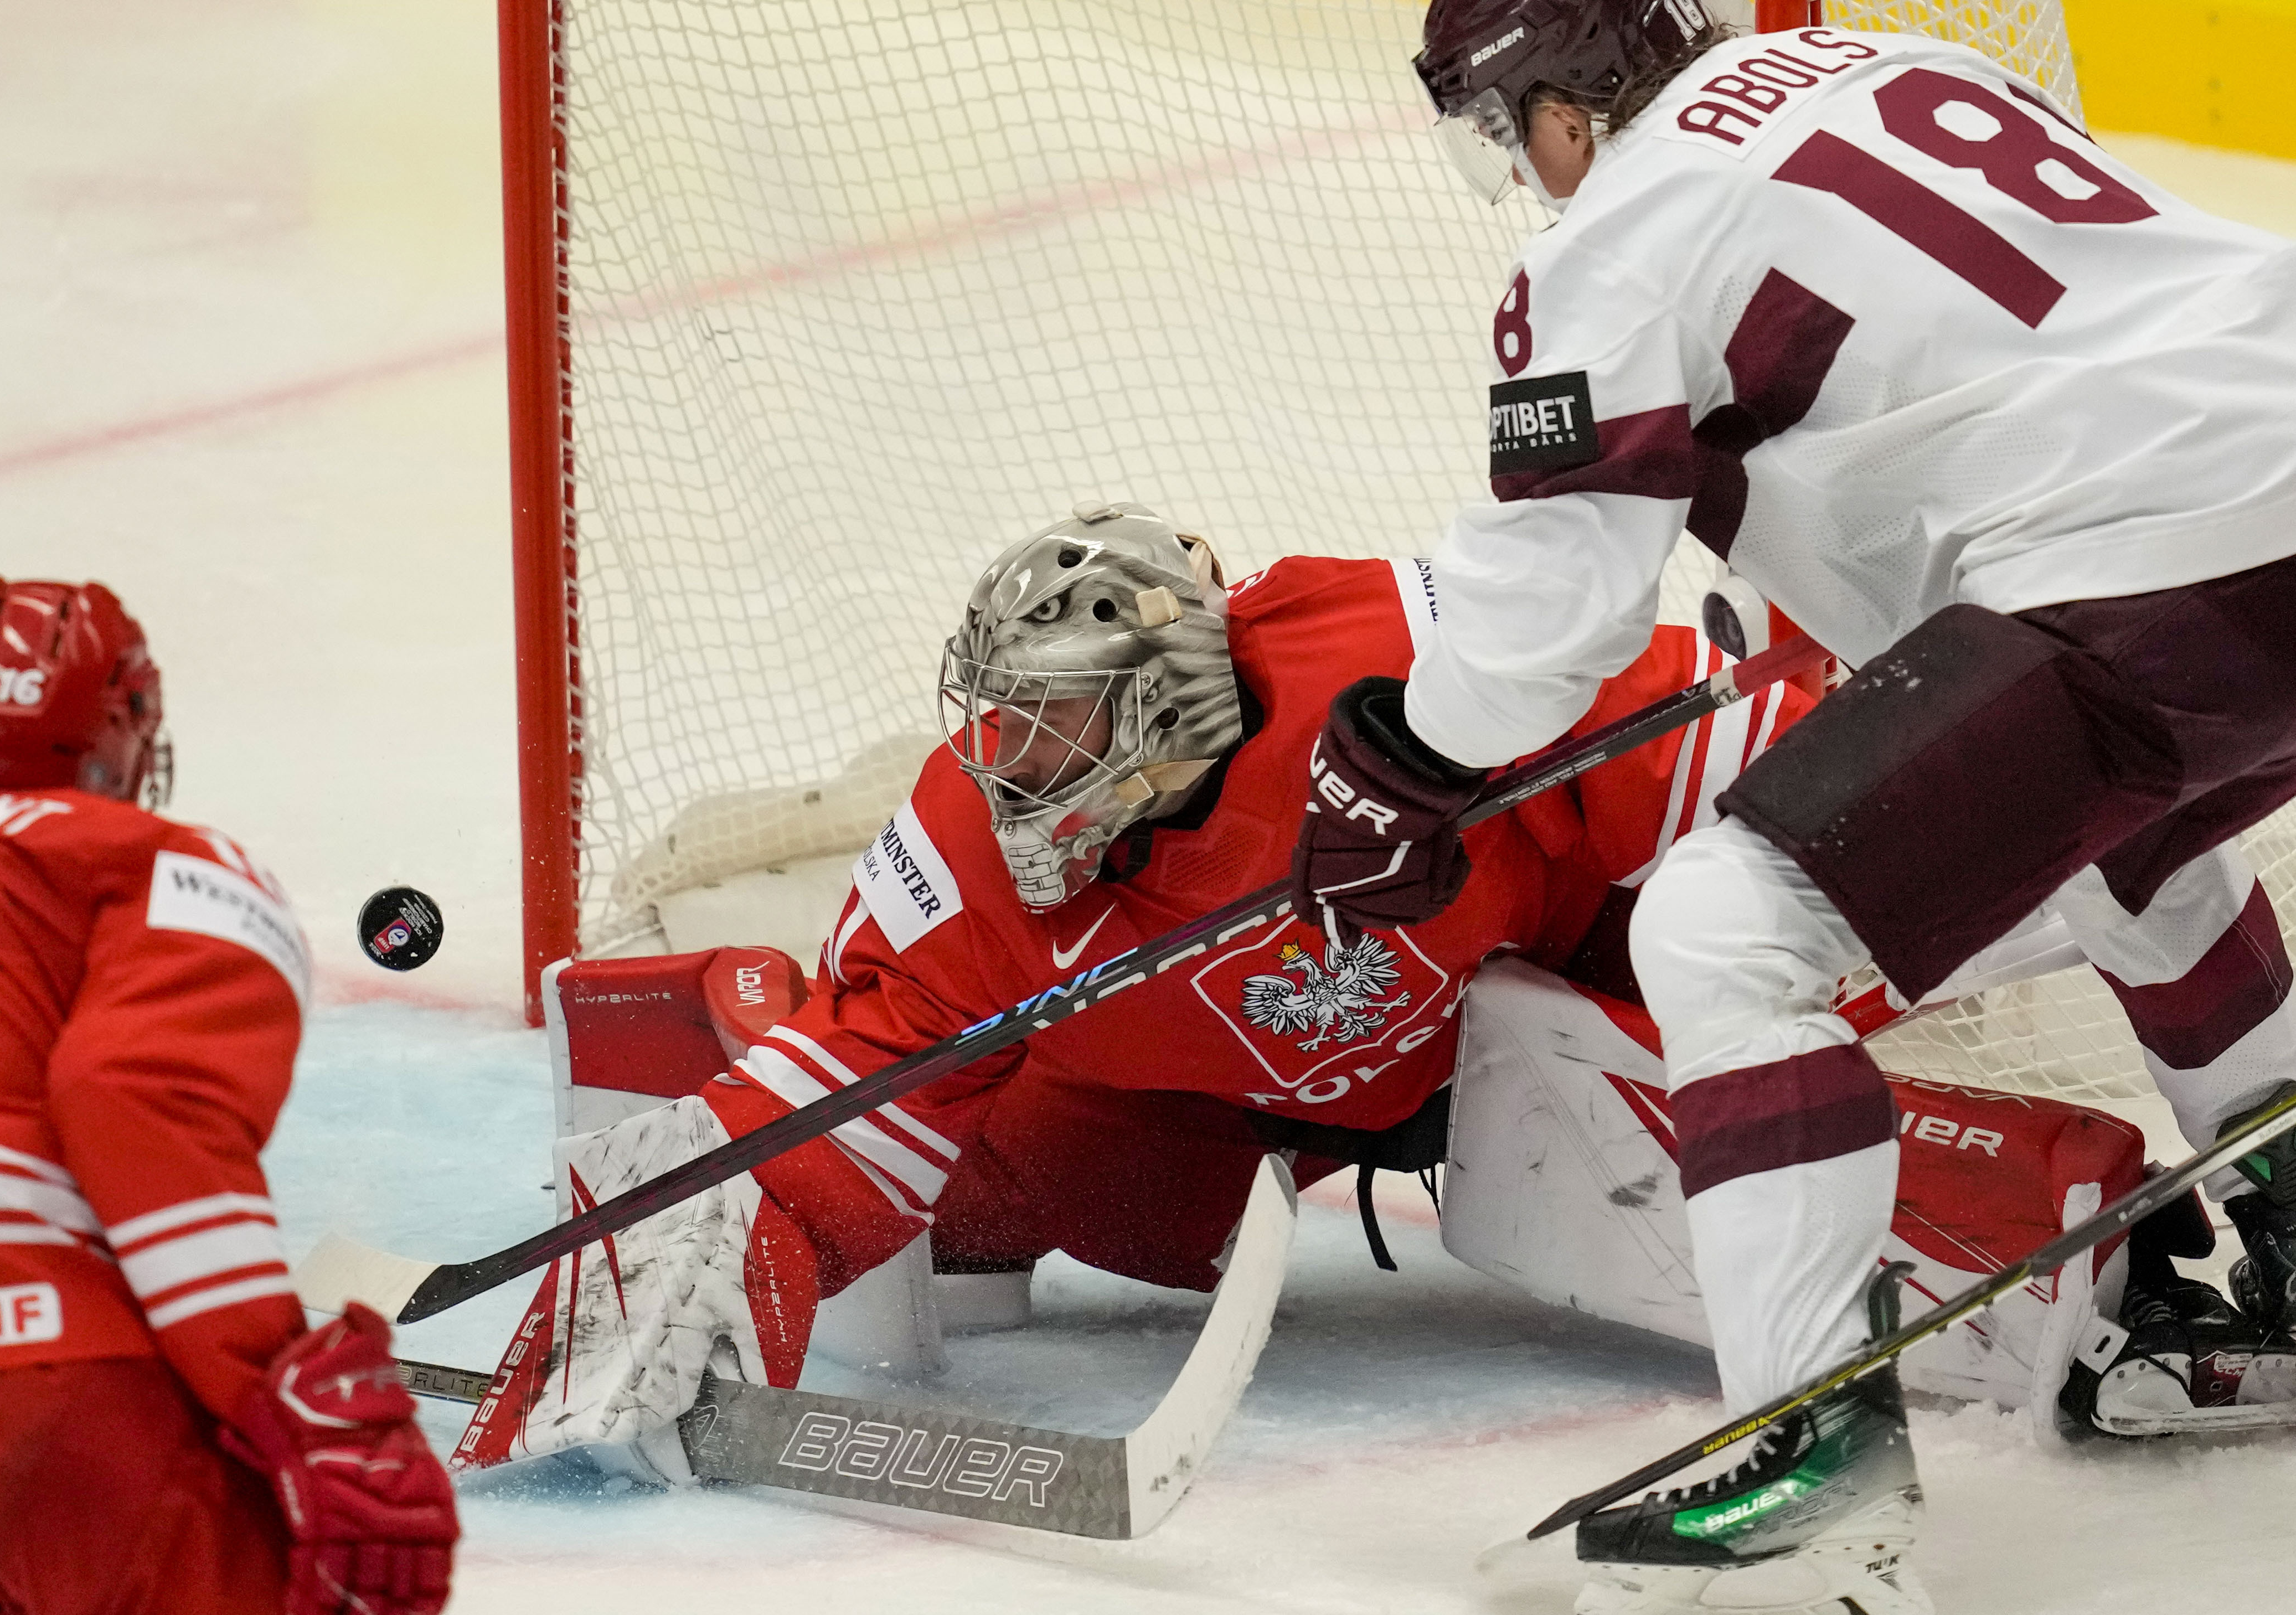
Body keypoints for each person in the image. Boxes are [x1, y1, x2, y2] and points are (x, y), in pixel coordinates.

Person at [1287, 3, 2296, 1613]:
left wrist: (1399, 758)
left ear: (1555, 106)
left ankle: (1814, 1457)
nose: (1525, 171)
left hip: (2138, 548)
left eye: (1510, 132)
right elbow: (1999, 344)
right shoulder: (1900, 64)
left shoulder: (1611, 240)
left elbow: (1552, 620)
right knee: (2119, 842)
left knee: (1721, 926)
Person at [453, 501, 1821, 1474]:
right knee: (968, 1190)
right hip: (1222, 1106)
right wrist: (715, 1227)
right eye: (1002, 713)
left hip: (1520, 1002)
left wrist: (1789, 962)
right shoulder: (963, 842)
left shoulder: (1397, 658)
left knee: (1720, 1020)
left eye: (1053, 719)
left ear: (1173, 702)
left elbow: (1757, 756)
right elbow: (858, 1067)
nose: (1010, 759)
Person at [0, 579, 457, 1615]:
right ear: (128, 722)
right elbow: (132, 1100)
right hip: (46, 1378)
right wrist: (269, 1379)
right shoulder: (161, 865)